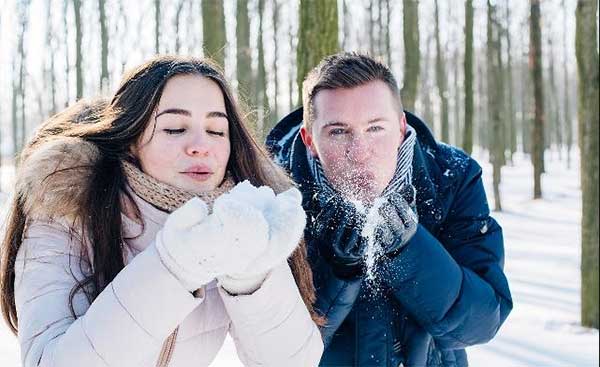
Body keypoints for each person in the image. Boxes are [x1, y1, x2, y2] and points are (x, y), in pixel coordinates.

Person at [0, 55, 323, 367]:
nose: (200, 145)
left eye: (216, 131)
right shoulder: (66, 210)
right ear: (131, 139)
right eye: (174, 129)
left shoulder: (236, 217)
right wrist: (174, 267)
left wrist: (253, 273)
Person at [266, 52, 512, 366]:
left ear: (400, 128)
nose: (359, 152)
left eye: (375, 129)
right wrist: (336, 273)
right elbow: (275, 351)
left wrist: (409, 253)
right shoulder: (271, 195)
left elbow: (481, 324)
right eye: (338, 132)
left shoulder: (453, 177)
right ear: (310, 140)